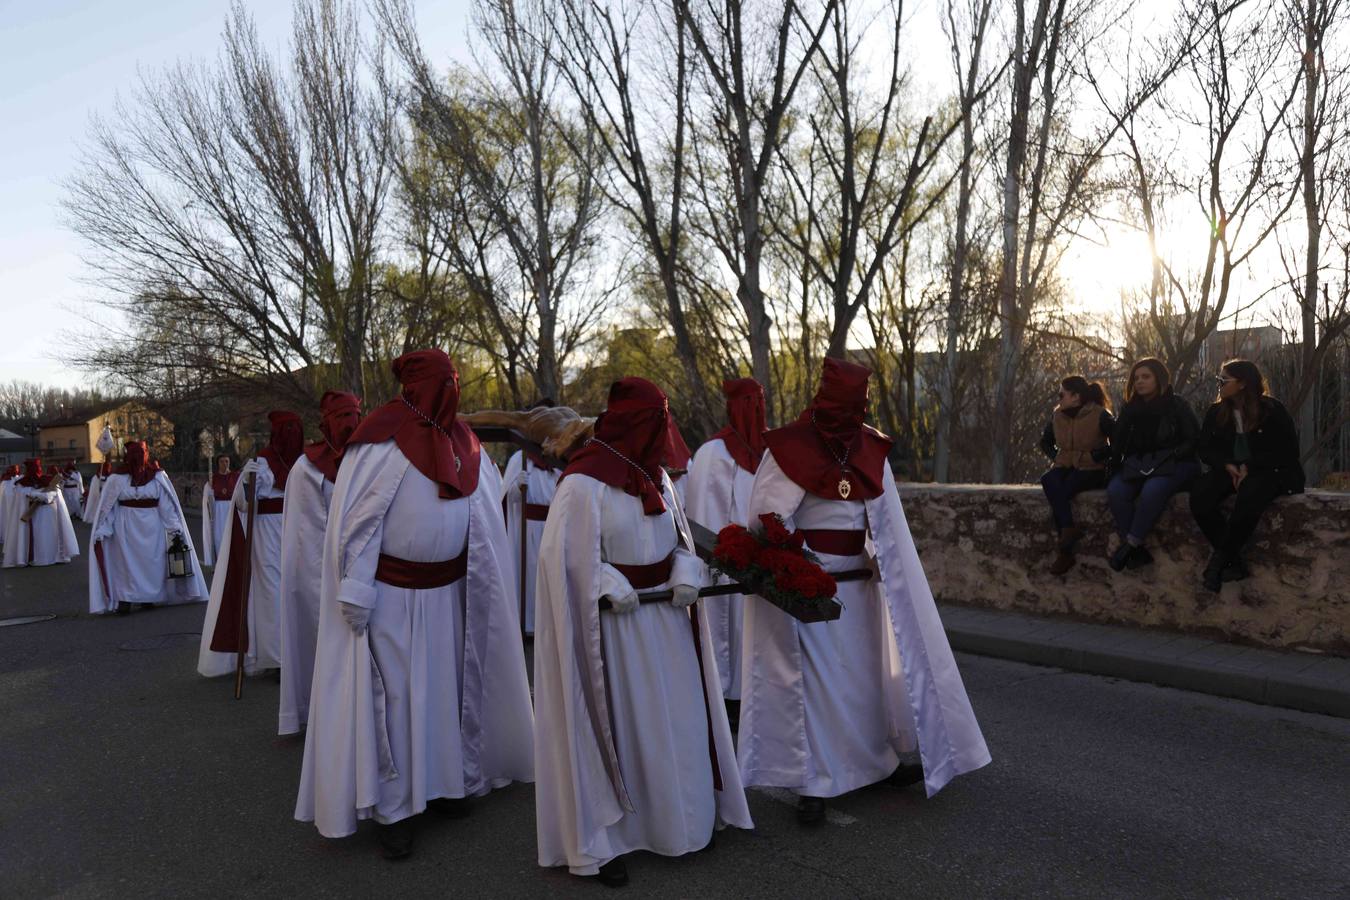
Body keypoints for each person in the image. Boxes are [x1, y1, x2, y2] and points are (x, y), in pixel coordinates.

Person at [295, 350, 533, 860]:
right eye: (440, 381)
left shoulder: (464, 442)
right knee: (398, 702)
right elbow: (358, 521)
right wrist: (356, 584)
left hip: (451, 595)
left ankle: (447, 785)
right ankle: (395, 809)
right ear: (416, 386)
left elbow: (485, 519)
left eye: (454, 380)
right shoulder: (380, 442)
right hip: (392, 600)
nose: (449, 389)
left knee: (448, 695)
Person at [739, 358, 990, 825]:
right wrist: (802, 567)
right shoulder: (789, 448)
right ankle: (816, 782)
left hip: (861, 588)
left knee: (865, 680)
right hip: (810, 593)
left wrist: (883, 561)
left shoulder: (870, 447)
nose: (853, 410)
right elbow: (767, 517)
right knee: (816, 688)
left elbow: (884, 517)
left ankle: (877, 762)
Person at [533, 377, 751, 887]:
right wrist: (606, 580)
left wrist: (684, 572)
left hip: (667, 625)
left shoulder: (657, 478)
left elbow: (679, 540)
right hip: (617, 637)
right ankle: (611, 842)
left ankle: (685, 822)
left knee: (678, 723)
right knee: (631, 730)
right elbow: (559, 557)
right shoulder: (583, 482)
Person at [277, 391, 361, 736]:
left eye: (353, 415)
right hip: (320, 568)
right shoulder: (306, 468)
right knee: (319, 634)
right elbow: (304, 532)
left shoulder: (370, 456)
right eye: (340, 417)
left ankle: (356, 709)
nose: (349, 424)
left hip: (363, 563)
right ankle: (319, 709)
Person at [196, 411, 304, 679]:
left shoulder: (306, 463)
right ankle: (276, 658)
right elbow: (243, 505)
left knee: (298, 592)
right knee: (271, 594)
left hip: (299, 533)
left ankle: (302, 653)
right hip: (267, 535)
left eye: (296, 428)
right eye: (286, 429)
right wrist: (245, 481)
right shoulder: (262, 464)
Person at [685, 377, 767, 721]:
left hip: (762, 558)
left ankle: (758, 692)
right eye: (748, 403)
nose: (756, 411)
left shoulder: (770, 449)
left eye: (759, 402)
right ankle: (725, 695)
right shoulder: (713, 453)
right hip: (727, 560)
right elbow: (704, 512)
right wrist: (721, 559)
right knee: (727, 626)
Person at [1190, 359, 1305, 591]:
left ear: (1242, 383)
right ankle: (1235, 562)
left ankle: (1219, 560)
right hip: (1230, 469)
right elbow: (1205, 448)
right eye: (1218, 380)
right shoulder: (1216, 412)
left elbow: (1287, 450)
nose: (1219, 385)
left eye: (1224, 380)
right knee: (1201, 497)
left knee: (1250, 495)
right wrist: (1227, 465)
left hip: (1270, 471)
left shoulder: (1271, 410)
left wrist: (1249, 467)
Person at [88, 441, 207, 615]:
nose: (138, 459)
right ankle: (125, 599)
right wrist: (103, 529)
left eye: (141, 454)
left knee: (152, 562)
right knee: (124, 564)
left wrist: (175, 529)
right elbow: (109, 507)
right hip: (125, 528)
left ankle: (149, 597)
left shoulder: (158, 477)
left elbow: (166, 506)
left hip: (152, 528)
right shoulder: (117, 478)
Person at [1105, 358, 1201, 571]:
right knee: (1116, 491)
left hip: (1176, 463)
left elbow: (1193, 438)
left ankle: (1130, 545)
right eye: (1136, 378)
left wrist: (1172, 455)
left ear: (1159, 379)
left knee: (1153, 489)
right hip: (1140, 465)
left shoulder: (1177, 405)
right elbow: (1118, 444)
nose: (1139, 381)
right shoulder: (1130, 409)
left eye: (1146, 377)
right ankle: (1137, 553)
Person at [1038, 375, 1115, 574]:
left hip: (1092, 469)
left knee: (1061, 492)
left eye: (1061, 394)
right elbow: (1045, 442)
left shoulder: (1100, 414)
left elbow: (1119, 442)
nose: (1059, 399)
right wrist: (1059, 455)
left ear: (1076, 396)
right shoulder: (1058, 416)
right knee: (1049, 480)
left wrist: (1097, 456)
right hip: (1065, 466)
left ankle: (1065, 553)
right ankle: (1068, 530)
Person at [500, 401, 561, 638]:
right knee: (530, 579)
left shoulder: (560, 458)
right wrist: (515, 488)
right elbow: (504, 501)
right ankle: (529, 626)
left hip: (554, 528)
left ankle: (554, 626)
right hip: (528, 530)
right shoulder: (520, 459)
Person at [2, 459, 79, 567]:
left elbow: (55, 494)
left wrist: (38, 495)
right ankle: (39, 558)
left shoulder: (47, 481)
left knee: (48, 535)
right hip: (34, 515)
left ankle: (53, 556)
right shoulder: (22, 484)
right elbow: (23, 496)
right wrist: (40, 495)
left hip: (47, 513)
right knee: (39, 537)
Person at [200, 454, 238, 567]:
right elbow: (207, 498)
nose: (225, 464)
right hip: (218, 512)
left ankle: (232, 564)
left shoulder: (235, 477)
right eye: (222, 461)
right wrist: (210, 492)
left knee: (232, 537)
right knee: (219, 538)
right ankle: (220, 564)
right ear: (218, 464)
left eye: (227, 461)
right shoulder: (213, 479)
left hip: (231, 510)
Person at [83, 459, 113, 524]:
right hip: (98, 496)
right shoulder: (96, 477)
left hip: (106, 496)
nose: (108, 469)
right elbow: (94, 489)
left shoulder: (111, 477)